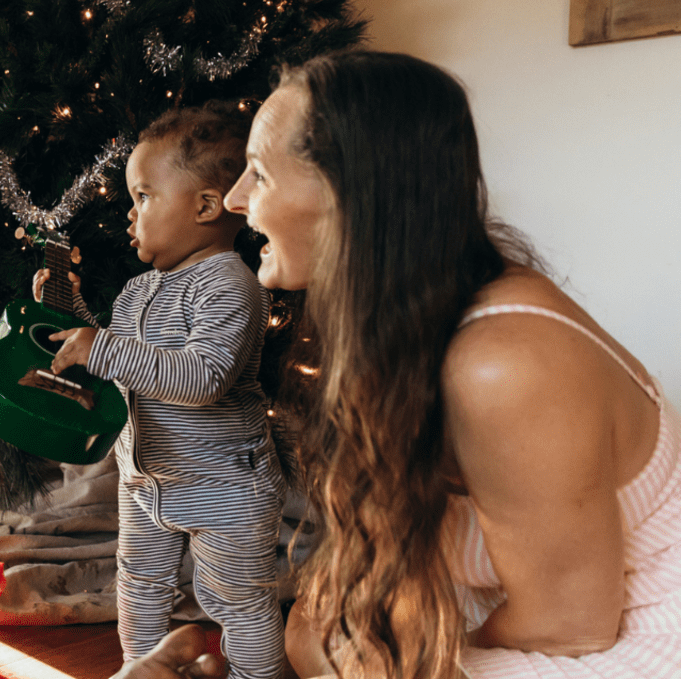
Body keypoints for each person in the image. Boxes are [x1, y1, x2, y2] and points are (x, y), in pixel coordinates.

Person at [222, 50, 681, 679]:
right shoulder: (405, 315)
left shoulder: (503, 364)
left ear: (350, 194)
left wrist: (405, 660)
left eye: (258, 175)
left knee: (329, 654)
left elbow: (573, 624)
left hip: (630, 636)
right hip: (529, 607)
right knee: (311, 633)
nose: (233, 199)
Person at [40, 102, 285, 679]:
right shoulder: (140, 287)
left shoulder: (232, 284)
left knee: (237, 600)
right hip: (145, 478)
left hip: (224, 485)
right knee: (140, 583)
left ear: (203, 206)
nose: (131, 214)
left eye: (143, 196)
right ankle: (141, 669)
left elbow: (201, 377)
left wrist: (98, 345)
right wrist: (66, 310)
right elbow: (120, 359)